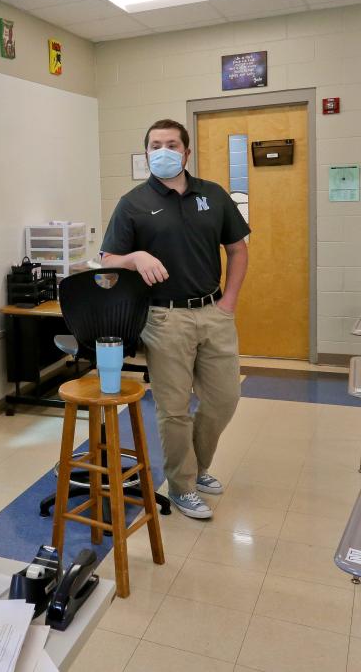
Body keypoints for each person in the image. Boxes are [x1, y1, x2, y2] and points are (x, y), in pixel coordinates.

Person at [99, 119, 250, 519]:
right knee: (174, 408)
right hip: (164, 319)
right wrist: (135, 257)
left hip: (214, 312)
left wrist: (229, 302)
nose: (162, 151)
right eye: (154, 145)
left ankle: (198, 468)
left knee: (223, 399)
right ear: (146, 152)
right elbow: (108, 260)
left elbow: (237, 249)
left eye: (170, 144)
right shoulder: (132, 203)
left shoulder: (213, 196)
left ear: (186, 152)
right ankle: (183, 486)